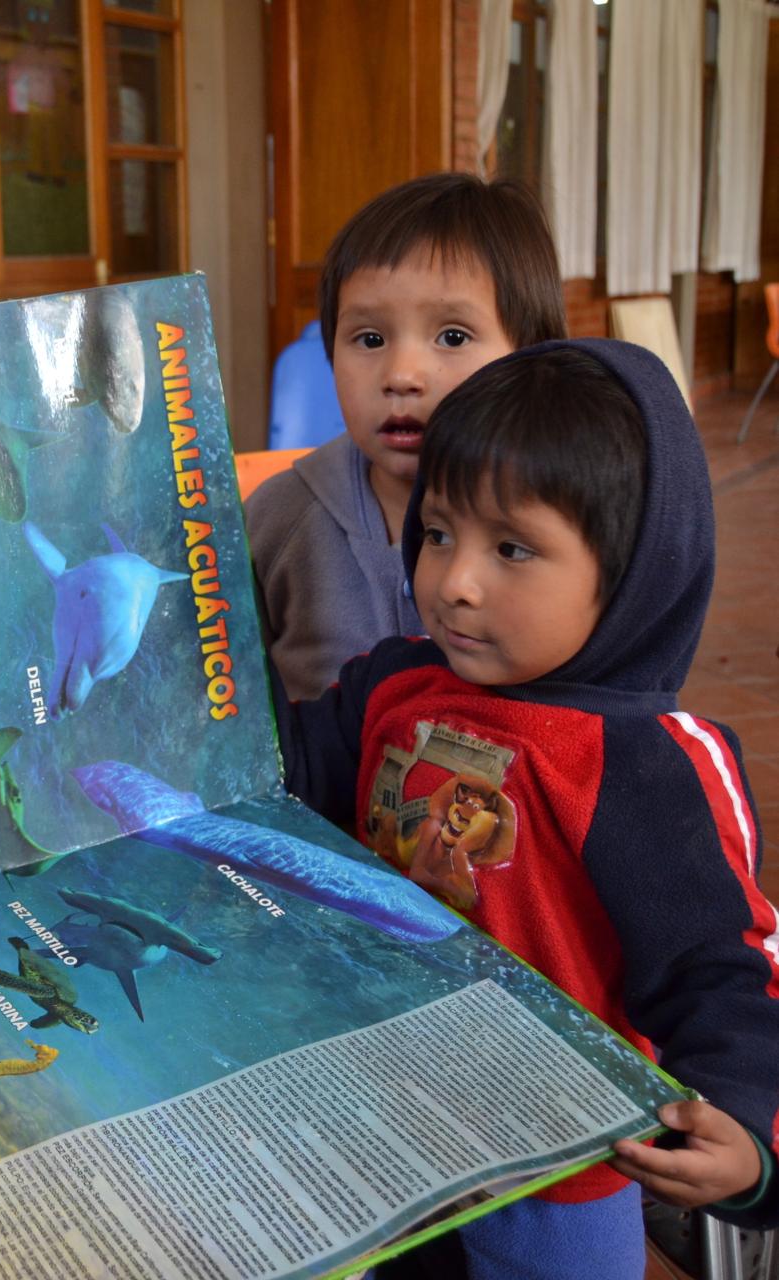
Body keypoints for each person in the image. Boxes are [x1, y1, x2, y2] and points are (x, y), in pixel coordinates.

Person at [276, 340, 779, 1277]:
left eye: (512, 548)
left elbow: (721, 968)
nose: (455, 581)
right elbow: (291, 772)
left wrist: (747, 1127)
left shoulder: (647, 766)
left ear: (629, 573)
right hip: (378, 1123)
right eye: (437, 532)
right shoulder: (395, 683)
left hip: (557, 1181)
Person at [247, 173, 567, 699]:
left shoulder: (562, 515)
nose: (401, 374)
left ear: (532, 356)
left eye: (452, 336)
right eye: (370, 338)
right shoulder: (281, 520)